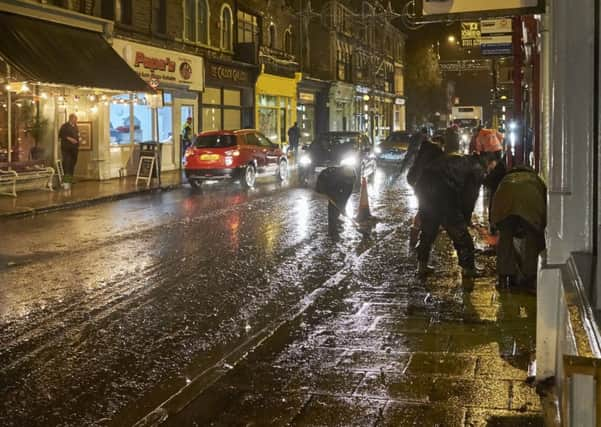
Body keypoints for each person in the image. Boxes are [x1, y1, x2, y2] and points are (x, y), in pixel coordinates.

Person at [414, 129, 483, 277]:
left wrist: (422, 210)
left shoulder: (447, 161)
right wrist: (465, 219)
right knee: (462, 236)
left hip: (426, 191)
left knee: (428, 232)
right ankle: (469, 269)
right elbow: (468, 199)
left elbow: (423, 182)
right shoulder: (475, 169)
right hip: (444, 197)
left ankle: (421, 266)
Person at [490, 165, 546, 292]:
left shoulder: (505, 179)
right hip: (530, 202)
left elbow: (494, 199)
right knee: (532, 238)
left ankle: (504, 279)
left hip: (504, 201)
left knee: (505, 238)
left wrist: (493, 224)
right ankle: (530, 278)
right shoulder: (536, 179)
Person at [406, 135, 444, 248]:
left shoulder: (425, 150)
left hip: (418, 184)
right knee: (425, 211)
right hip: (424, 186)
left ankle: (416, 235)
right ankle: (418, 238)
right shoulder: (436, 152)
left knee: (423, 210)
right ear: (440, 143)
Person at [315, 166, 356, 234]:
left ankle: (336, 219)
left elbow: (346, 195)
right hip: (323, 183)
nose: (349, 182)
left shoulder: (352, 177)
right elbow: (331, 192)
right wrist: (337, 203)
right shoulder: (334, 177)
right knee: (333, 205)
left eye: (349, 181)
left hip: (337, 184)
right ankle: (332, 229)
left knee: (340, 203)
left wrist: (343, 207)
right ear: (343, 177)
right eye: (347, 180)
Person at [58, 113, 79, 190]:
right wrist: (70, 139)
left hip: (74, 149)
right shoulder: (65, 126)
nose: (76, 120)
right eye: (75, 119)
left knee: (72, 164)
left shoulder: (76, 127)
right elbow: (61, 135)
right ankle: (66, 182)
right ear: (71, 119)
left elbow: (77, 135)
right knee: (67, 164)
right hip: (66, 149)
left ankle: (70, 180)